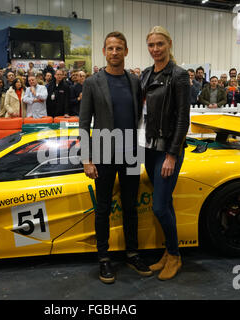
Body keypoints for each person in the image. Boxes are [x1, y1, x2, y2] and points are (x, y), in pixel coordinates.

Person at [79, 31, 150, 284]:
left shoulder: (134, 82)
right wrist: (87, 159)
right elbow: (84, 122)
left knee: (131, 207)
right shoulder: (92, 83)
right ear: (104, 52)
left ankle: (132, 253)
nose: (115, 52)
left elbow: (138, 117)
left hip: (130, 153)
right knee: (103, 209)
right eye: (110, 48)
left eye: (119, 48)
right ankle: (103, 258)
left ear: (126, 52)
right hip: (103, 154)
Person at [139, 26, 190, 280]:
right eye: (151, 45)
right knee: (165, 203)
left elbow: (183, 119)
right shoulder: (146, 74)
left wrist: (172, 155)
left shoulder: (179, 75)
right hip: (148, 149)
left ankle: (175, 256)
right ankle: (169, 254)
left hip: (167, 151)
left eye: (160, 44)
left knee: (159, 207)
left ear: (169, 44)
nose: (155, 49)